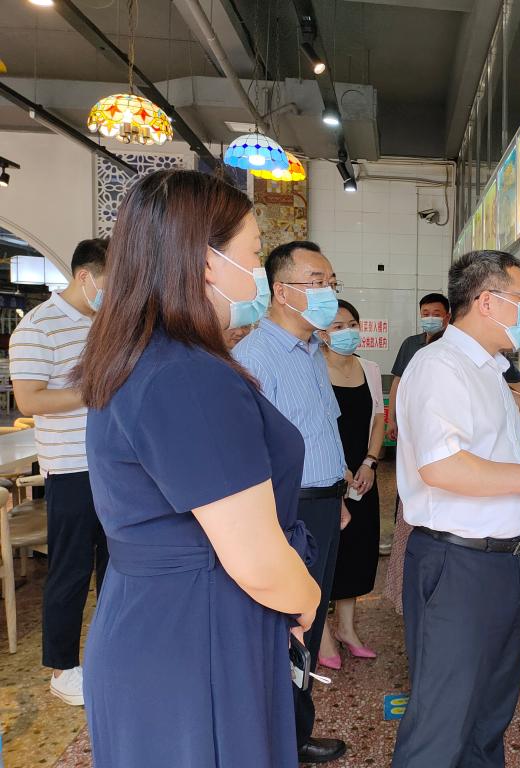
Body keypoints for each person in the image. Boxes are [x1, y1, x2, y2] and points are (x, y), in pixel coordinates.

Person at [73, 169, 321, 767]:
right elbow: (256, 560)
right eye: (255, 254)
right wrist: (305, 596)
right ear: (208, 262)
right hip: (195, 632)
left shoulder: (144, 355)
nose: (258, 271)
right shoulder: (187, 374)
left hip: (159, 619)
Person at [393, 249, 520, 767]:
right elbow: (442, 466)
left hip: (505, 563)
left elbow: (491, 443)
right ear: (486, 301)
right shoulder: (439, 367)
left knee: (488, 716)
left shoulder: (487, 368)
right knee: (442, 722)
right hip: (459, 566)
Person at [233, 240, 351, 765]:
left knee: (310, 620)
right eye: (317, 283)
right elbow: (249, 453)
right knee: (283, 627)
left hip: (323, 503)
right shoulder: (254, 357)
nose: (329, 293)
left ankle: (296, 732)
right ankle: (275, 739)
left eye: (332, 283)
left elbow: (322, 428)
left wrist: (338, 492)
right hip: (287, 511)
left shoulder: (310, 353)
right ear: (281, 291)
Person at [9, 237, 110, 706]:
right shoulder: (37, 327)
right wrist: (94, 391)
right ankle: (63, 669)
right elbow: (29, 400)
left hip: (115, 464)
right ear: (85, 276)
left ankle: (113, 654)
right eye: (113, 282)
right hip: (71, 468)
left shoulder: (107, 323)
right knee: (71, 569)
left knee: (118, 567)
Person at [315, 300, 385, 669]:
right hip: (326, 476)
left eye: (353, 324)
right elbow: (313, 424)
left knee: (357, 551)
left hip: (363, 477)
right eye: (338, 326)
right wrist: (338, 469)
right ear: (322, 332)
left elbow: (378, 418)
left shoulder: (369, 368)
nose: (348, 332)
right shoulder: (312, 366)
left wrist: (370, 463)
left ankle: (347, 629)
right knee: (328, 554)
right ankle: (323, 636)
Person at [386, 292, 451, 443]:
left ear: (447, 317)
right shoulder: (410, 344)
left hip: (445, 424)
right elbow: (397, 383)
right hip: (412, 422)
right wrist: (391, 420)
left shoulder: (453, 345)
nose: (430, 318)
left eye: (436, 314)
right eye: (425, 314)